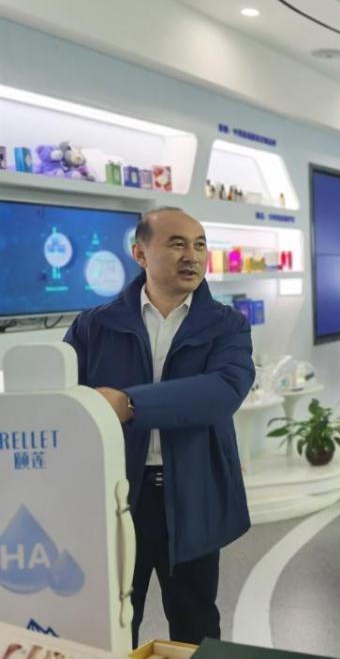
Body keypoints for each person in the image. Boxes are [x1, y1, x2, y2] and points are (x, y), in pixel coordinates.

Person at [64, 206, 253, 646]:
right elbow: (69, 403)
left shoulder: (227, 325)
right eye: (177, 243)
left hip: (192, 492)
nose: (193, 255)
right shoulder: (94, 325)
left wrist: (130, 404)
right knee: (112, 621)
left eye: (200, 245)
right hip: (116, 494)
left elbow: (223, 391)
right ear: (140, 253)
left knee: (195, 622)